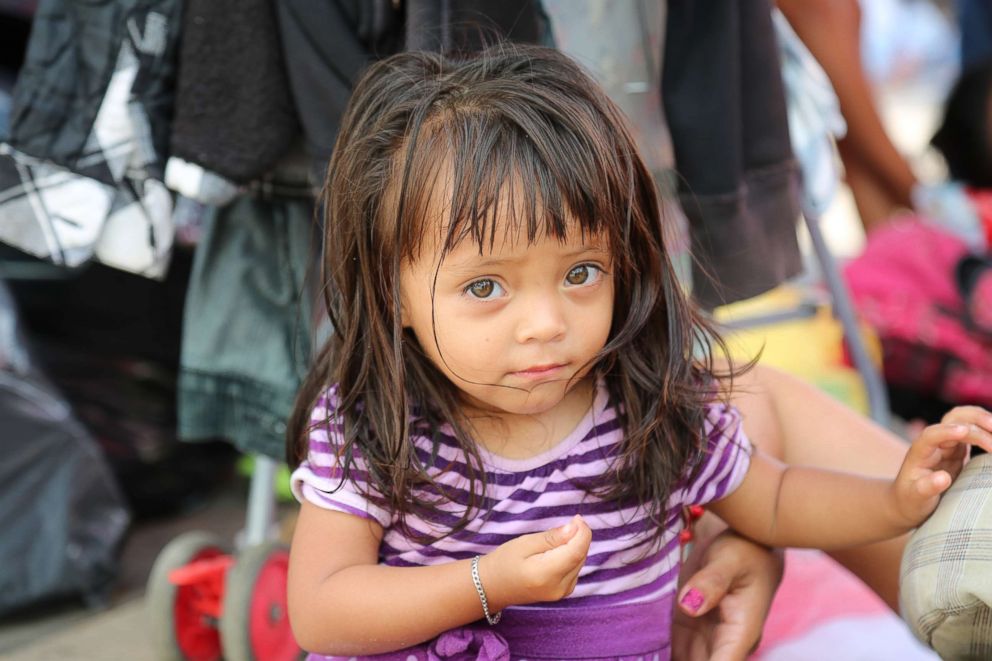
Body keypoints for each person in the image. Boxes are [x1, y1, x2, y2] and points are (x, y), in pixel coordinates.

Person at [284, 44, 992, 660]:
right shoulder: (371, 425)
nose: (544, 323)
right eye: (486, 285)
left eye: (580, 273)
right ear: (392, 290)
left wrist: (895, 497)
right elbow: (322, 605)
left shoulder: (649, 405)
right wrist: (485, 583)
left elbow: (774, 498)